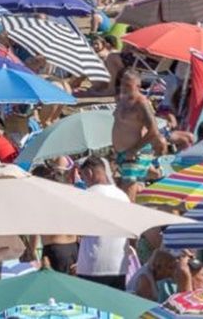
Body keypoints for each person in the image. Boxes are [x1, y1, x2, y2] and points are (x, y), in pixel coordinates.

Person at [76, 156, 131, 289]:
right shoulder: (123, 196)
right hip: (118, 265)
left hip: (92, 265)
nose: (85, 181)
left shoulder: (87, 195)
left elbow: (78, 230)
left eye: (83, 177)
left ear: (89, 172)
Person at [113, 68, 167, 187]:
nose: (123, 87)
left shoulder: (141, 103)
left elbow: (153, 130)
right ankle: (161, 174)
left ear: (138, 86)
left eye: (128, 85)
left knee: (128, 186)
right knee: (138, 182)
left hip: (135, 152)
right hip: (122, 152)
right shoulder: (121, 100)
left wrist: (134, 149)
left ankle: (160, 173)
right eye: (122, 83)